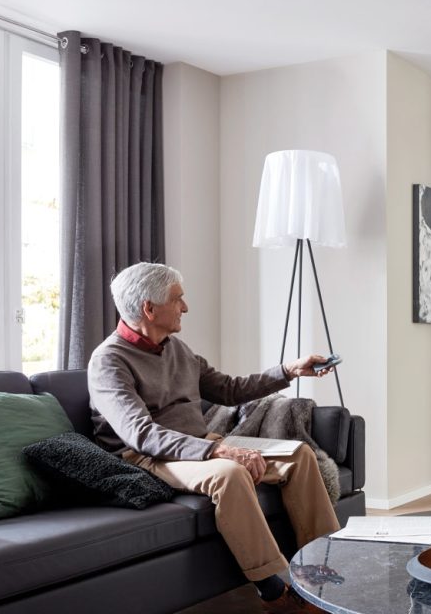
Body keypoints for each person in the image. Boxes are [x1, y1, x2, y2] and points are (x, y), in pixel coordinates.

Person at [87, 262, 339, 613]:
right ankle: (276, 591)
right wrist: (219, 450)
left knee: (299, 454)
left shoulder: (177, 349)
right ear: (149, 308)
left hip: (200, 444)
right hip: (148, 459)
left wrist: (288, 370)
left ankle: (323, 565)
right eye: (178, 299)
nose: (185, 307)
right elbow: (140, 435)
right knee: (230, 473)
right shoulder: (108, 362)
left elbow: (229, 389)